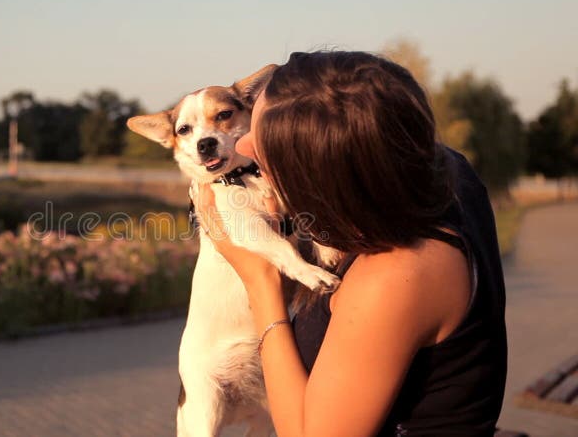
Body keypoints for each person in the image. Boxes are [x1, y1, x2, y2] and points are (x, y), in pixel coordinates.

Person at [193, 51, 507, 436]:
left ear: (319, 172)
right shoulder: (444, 174)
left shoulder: (394, 276)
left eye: (266, 147)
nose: (243, 149)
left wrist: (260, 282)